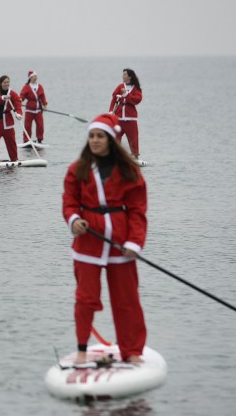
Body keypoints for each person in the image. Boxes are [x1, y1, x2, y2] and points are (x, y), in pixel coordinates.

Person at [62, 113, 147, 365]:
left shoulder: (129, 170)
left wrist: (134, 243)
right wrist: (74, 220)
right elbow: (69, 203)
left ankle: (132, 352)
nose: (95, 141)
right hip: (88, 242)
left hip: (120, 244)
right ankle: (80, 350)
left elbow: (137, 210)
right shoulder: (77, 169)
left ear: (111, 140)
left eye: (100, 136)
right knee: (85, 299)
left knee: (127, 300)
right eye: (92, 136)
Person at [109, 68, 143, 160]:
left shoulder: (136, 88)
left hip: (131, 119)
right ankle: (114, 157)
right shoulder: (119, 87)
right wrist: (111, 111)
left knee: (133, 139)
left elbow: (137, 100)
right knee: (115, 138)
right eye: (123, 74)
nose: (122, 76)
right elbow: (113, 99)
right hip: (118, 118)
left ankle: (135, 157)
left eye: (124, 74)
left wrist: (127, 96)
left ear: (129, 76)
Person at [0, 75, 22, 162]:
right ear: (0, 83)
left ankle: (14, 159)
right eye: (4, 82)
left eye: (7, 82)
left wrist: (19, 114)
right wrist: (3, 98)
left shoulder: (12, 93)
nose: (6, 84)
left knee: (11, 140)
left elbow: (18, 103)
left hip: (8, 121)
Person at [19, 70, 48, 143]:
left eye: (36, 76)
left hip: (38, 109)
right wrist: (19, 101)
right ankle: (26, 140)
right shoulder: (26, 87)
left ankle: (40, 139)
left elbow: (43, 97)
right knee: (27, 126)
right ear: (30, 78)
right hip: (29, 109)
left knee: (40, 125)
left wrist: (45, 105)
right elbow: (22, 96)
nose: (35, 77)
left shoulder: (40, 86)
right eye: (34, 76)